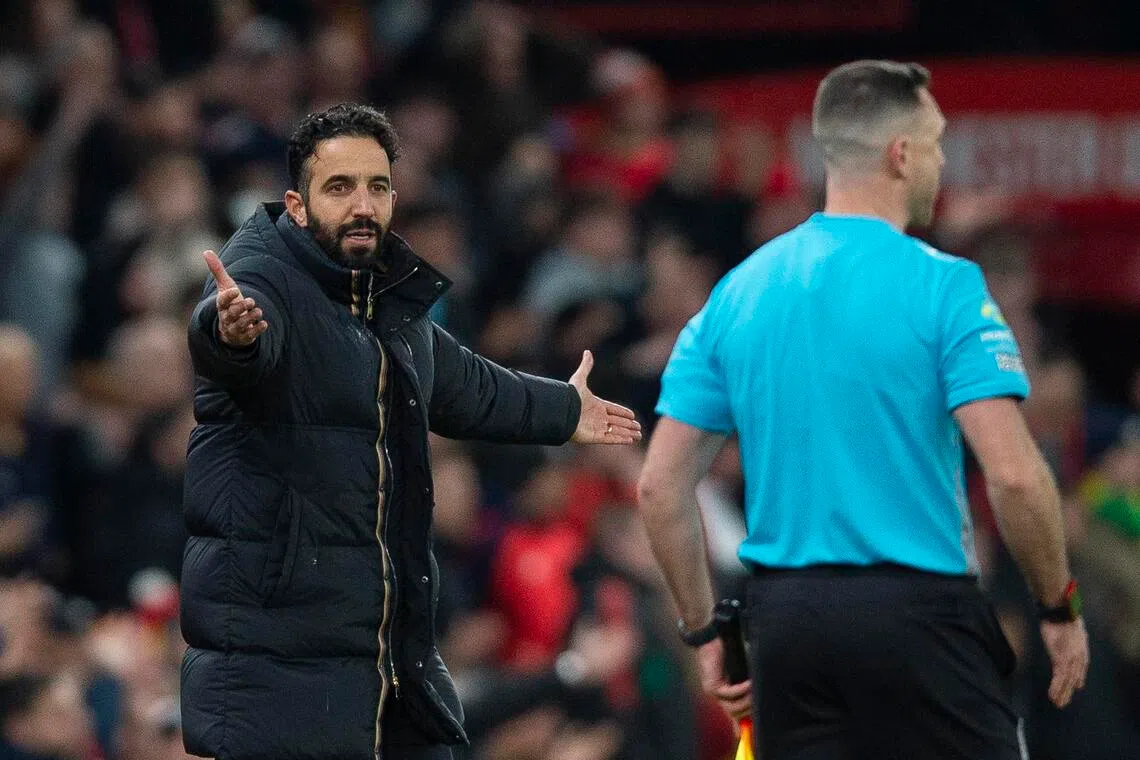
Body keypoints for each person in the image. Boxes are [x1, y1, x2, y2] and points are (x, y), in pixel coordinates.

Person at [636, 60, 1090, 760]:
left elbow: (660, 488)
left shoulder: (738, 292)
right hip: (921, 622)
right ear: (901, 153)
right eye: (936, 142)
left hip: (786, 631)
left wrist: (707, 634)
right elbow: (1018, 478)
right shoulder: (945, 286)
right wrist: (1057, 606)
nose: (942, 160)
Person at [179, 103, 641, 760]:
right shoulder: (259, 277)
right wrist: (230, 335)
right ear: (298, 203)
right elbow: (234, 343)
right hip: (275, 661)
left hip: (381, 652)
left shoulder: (385, 305)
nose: (362, 204)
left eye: (377, 186)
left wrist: (566, 410)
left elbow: (469, 386)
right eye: (340, 188)